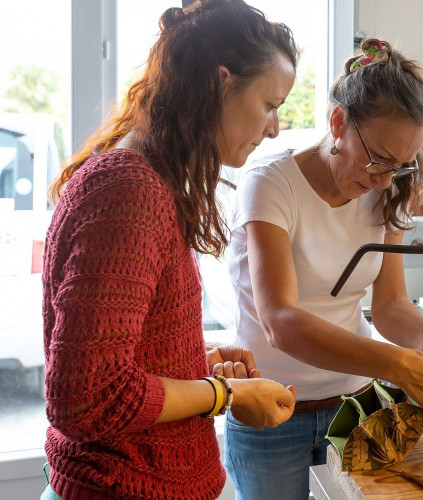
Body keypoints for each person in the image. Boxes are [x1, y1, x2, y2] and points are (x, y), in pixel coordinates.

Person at [41, 1, 299, 499]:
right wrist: (224, 394)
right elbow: (87, 397)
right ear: (220, 83)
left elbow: (117, 352)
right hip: (124, 485)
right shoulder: (129, 191)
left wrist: (191, 360)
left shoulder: (145, 179)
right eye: (270, 105)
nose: (274, 128)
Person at [225, 38, 423, 500]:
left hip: (356, 410)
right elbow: (281, 323)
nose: (383, 180)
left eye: (399, 165)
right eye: (378, 158)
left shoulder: (388, 189)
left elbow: (392, 306)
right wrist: (403, 365)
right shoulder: (270, 185)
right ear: (338, 122)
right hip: (271, 414)